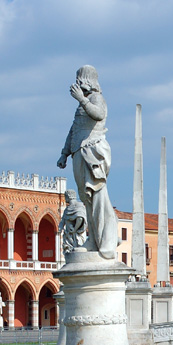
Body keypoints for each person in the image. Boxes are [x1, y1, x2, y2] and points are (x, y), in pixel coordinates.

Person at [57, 65, 118, 259]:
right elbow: (73, 129)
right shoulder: (81, 106)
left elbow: (98, 114)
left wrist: (82, 99)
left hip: (93, 151)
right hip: (78, 152)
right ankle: (93, 240)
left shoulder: (95, 99)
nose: (76, 84)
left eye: (79, 80)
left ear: (87, 81)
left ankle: (107, 243)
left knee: (98, 198)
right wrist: (64, 153)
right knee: (87, 200)